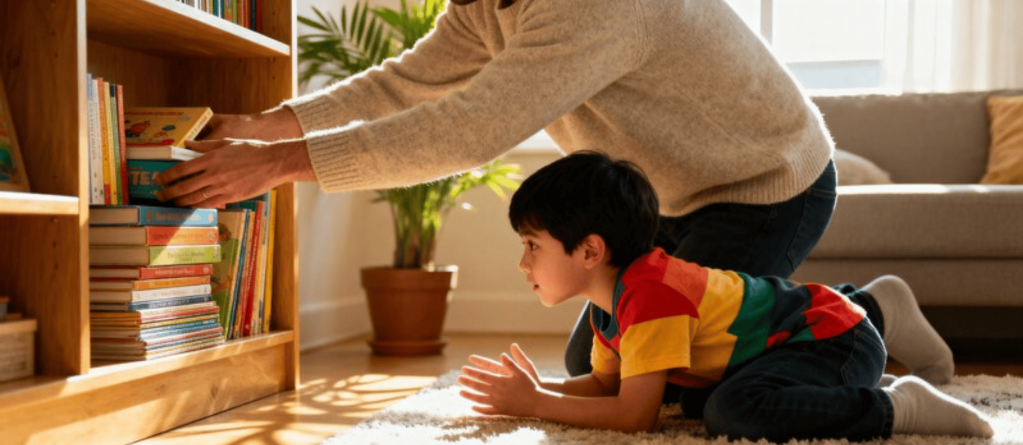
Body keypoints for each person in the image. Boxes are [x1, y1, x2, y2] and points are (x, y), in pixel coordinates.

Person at [154, 0, 951, 386]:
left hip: (766, 182)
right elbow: (406, 84)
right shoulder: (486, 6)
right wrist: (270, 122)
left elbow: (468, 129)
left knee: (675, 381)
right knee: (597, 368)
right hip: (664, 197)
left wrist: (281, 164)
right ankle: (853, 310)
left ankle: (867, 312)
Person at [457, 152, 993, 441]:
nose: (523, 262)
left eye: (532, 245)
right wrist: (539, 389)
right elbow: (605, 384)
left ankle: (897, 405)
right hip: (797, 336)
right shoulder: (609, 304)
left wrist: (535, 404)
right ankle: (875, 307)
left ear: (590, 250)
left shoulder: (651, 295)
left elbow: (633, 416)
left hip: (832, 339)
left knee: (733, 412)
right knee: (697, 397)